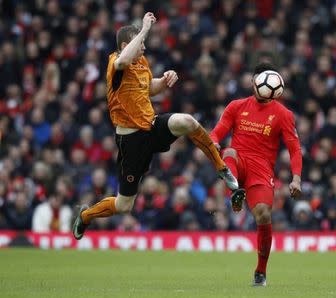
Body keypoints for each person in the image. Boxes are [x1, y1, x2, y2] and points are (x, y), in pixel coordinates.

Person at [72, 12, 238, 240]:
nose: (144, 48)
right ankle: (86, 216)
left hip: (151, 126)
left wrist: (165, 80)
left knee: (187, 121)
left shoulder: (141, 62)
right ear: (125, 44)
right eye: (141, 44)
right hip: (131, 141)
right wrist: (143, 30)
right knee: (124, 206)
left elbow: (150, 88)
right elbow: (122, 61)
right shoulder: (115, 61)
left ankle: (222, 168)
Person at [210, 63, 302, 286]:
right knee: (228, 151)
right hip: (237, 160)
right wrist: (210, 143)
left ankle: (260, 272)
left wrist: (296, 178)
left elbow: (294, 148)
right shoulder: (236, 106)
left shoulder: (283, 115)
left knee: (263, 216)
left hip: (261, 169)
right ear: (254, 82)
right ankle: (234, 188)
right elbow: (217, 132)